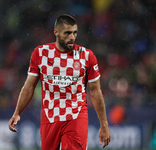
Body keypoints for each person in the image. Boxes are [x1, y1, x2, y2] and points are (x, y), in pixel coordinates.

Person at [9, 14, 111, 150]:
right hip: (49, 117)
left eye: (75, 33)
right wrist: (17, 113)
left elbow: (95, 92)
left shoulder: (86, 56)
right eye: (67, 33)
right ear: (56, 32)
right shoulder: (40, 54)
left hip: (76, 115)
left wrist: (104, 125)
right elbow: (29, 87)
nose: (72, 37)